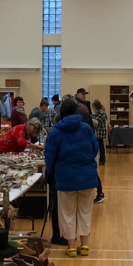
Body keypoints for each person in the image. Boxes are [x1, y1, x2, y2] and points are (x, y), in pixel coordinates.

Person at [44, 98, 99, 257]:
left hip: (66, 178)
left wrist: (53, 172)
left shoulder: (55, 131)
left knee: (67, 213)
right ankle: (85, 245)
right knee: (85, 211)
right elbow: (95, 149)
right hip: (87, 176)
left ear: (61, 112)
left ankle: (71, 247)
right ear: (76, 111)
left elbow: (49, 158)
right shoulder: (86, 128)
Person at [92, 100, 109, 166]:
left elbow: (97, 120)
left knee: (100, 146)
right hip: (99, 132)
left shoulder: (101, 112)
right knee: (100, 145)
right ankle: (101, 159)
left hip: (100, 132)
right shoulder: (98, 112)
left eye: (93, 107)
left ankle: (102, 159)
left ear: (95, 106)